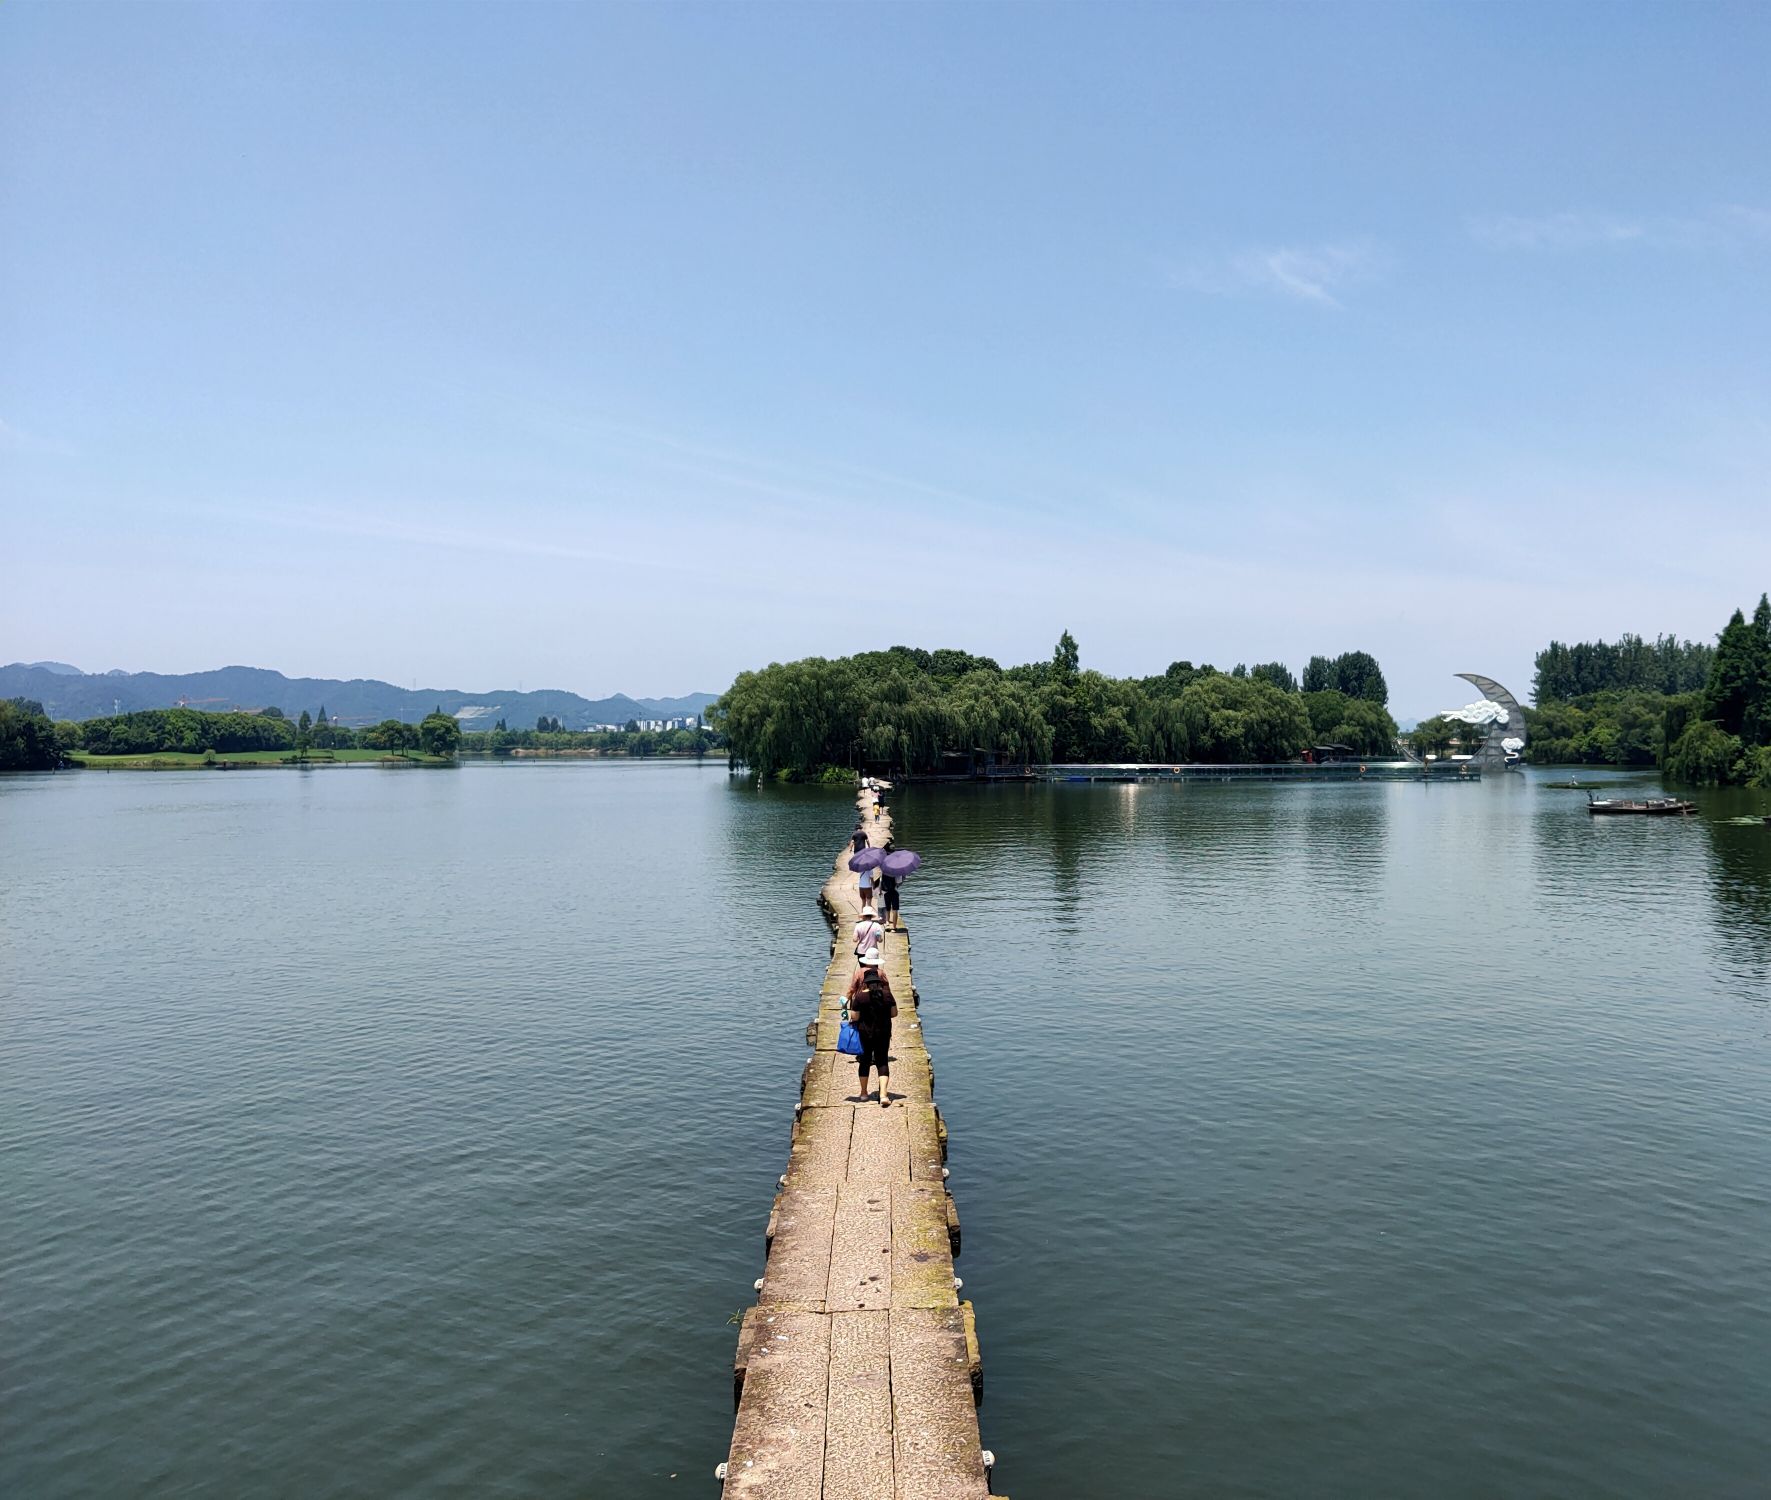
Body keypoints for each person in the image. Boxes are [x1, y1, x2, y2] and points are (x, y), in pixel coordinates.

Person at [845, 948, 898, 1106]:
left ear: (866, 982)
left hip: (864, 1033)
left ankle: (863, 1094)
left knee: (865, 1061)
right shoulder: (887, 995)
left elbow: (855, 1016)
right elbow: (894, 1013)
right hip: (883, 1032)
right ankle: (883, 1095)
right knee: (882, 1061)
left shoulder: (860, 997)